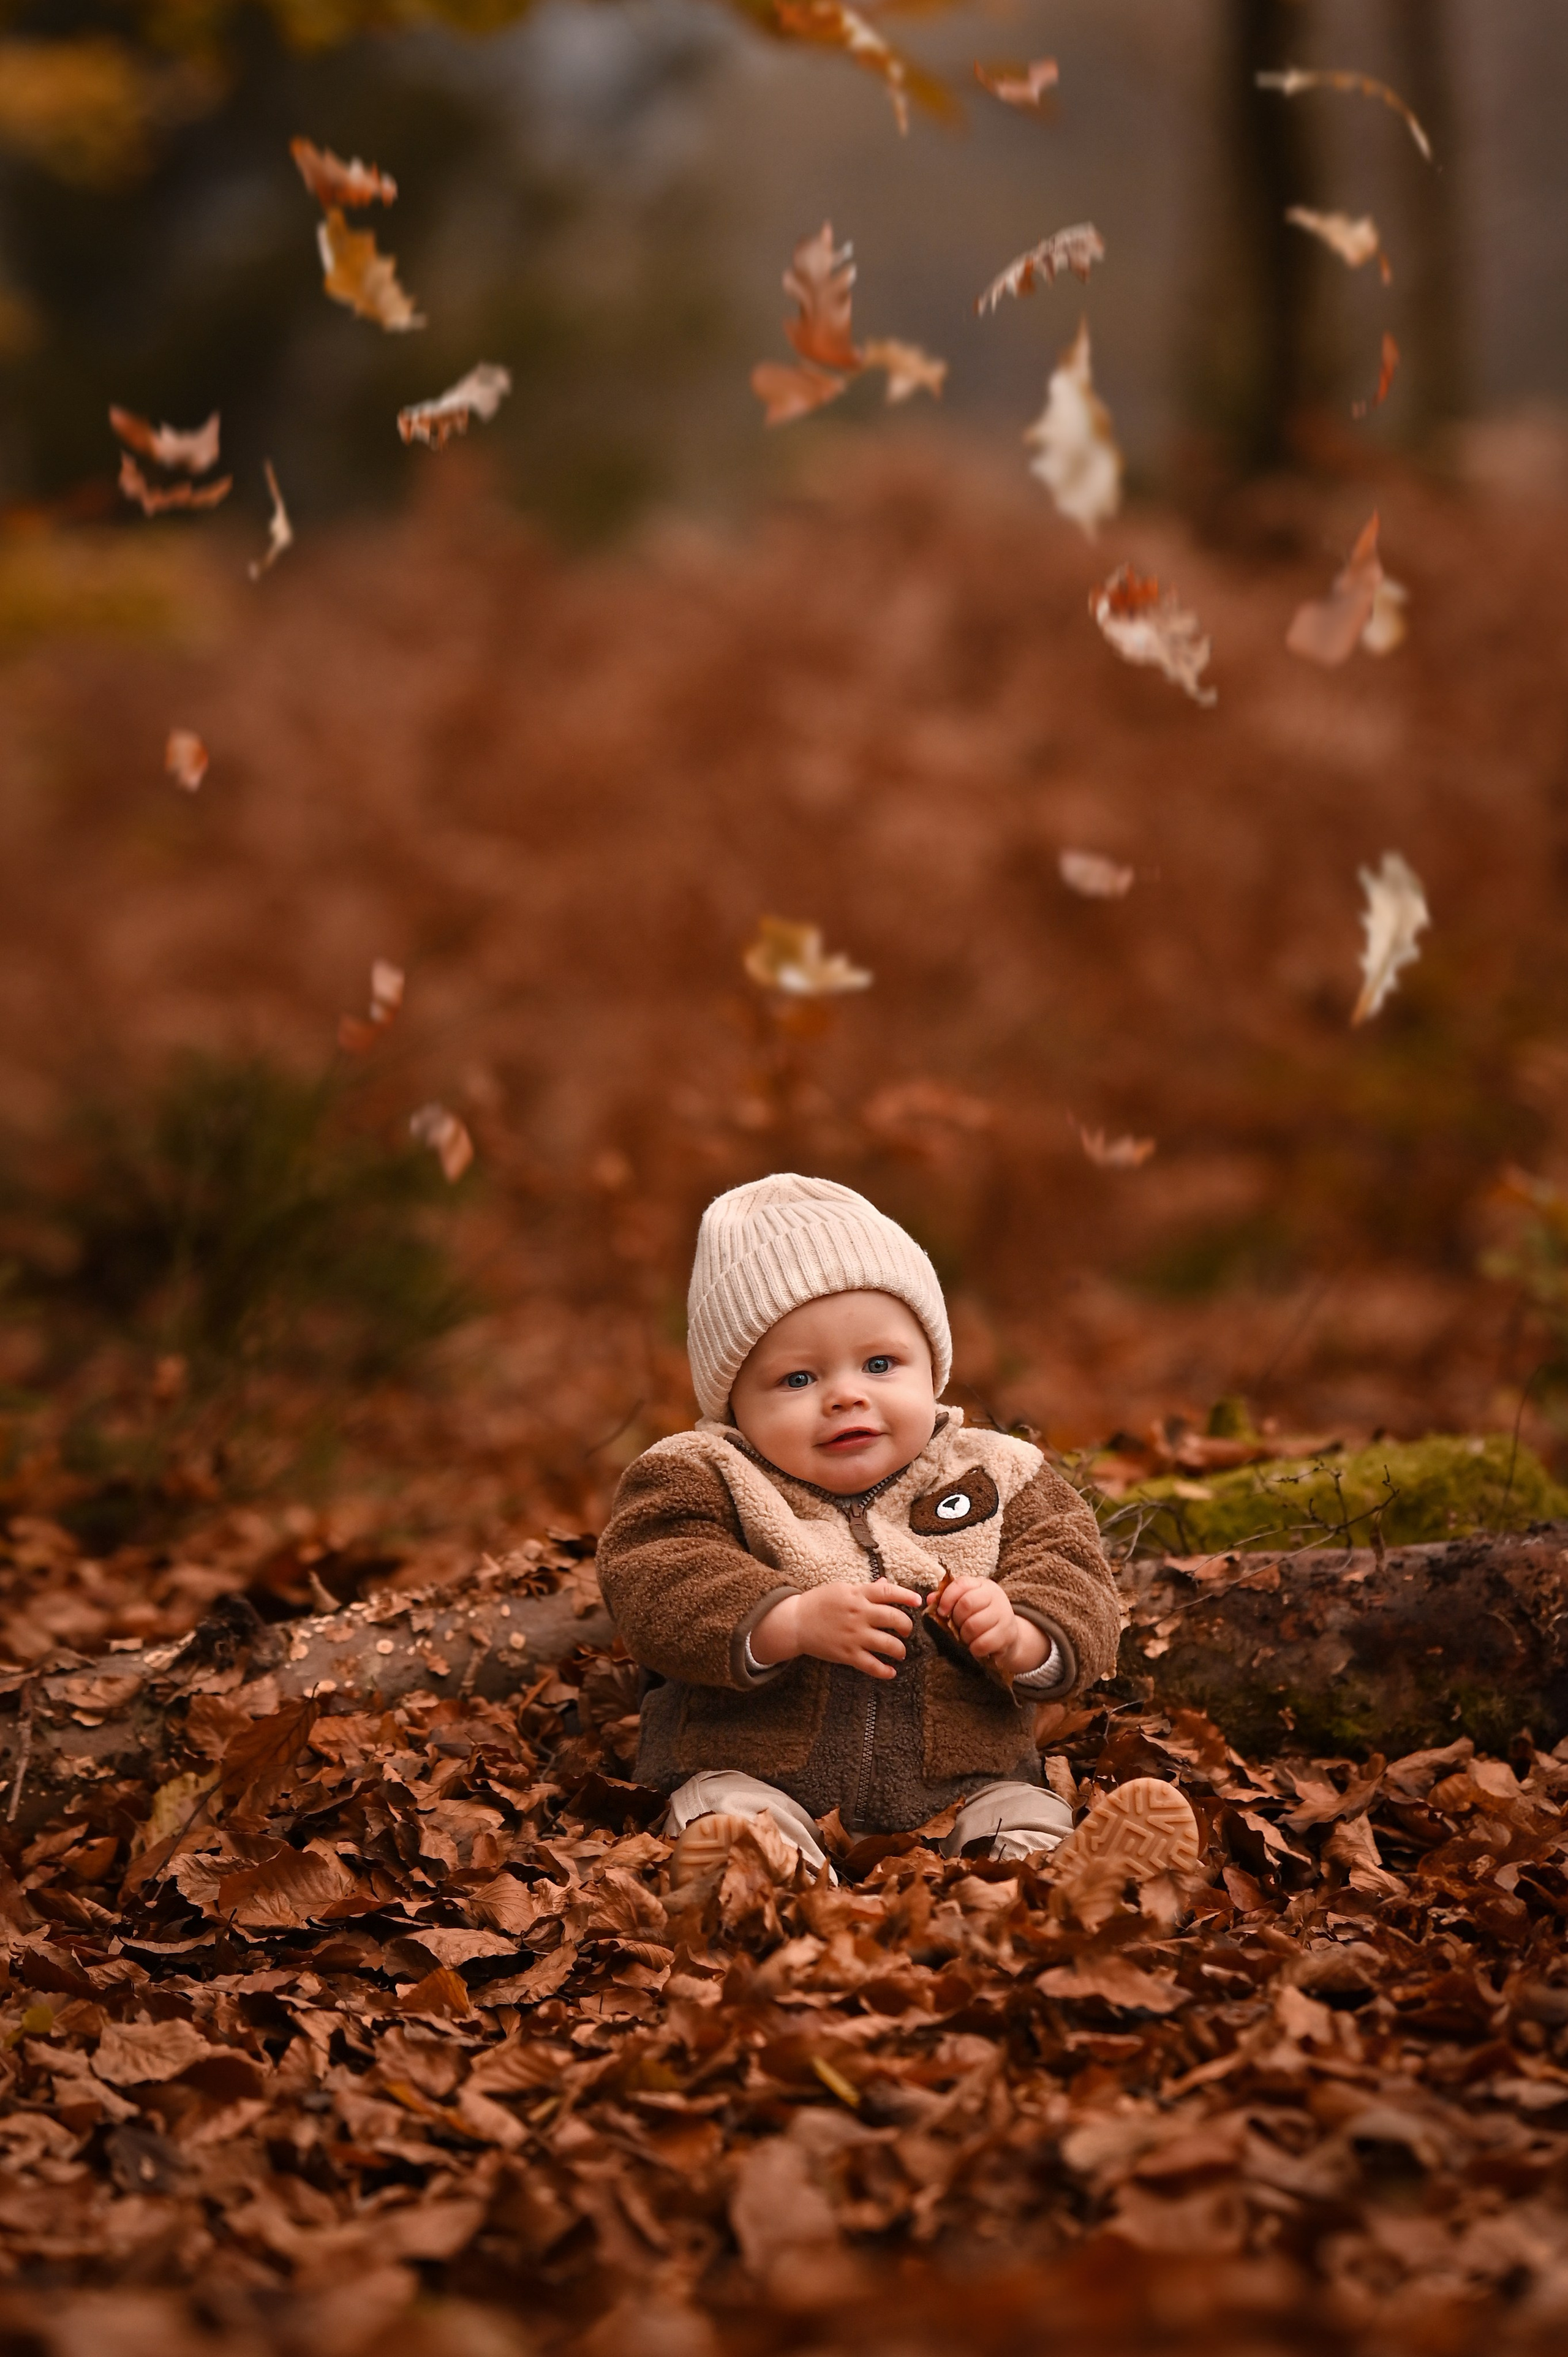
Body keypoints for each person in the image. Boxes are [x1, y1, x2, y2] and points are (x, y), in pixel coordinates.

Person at [597, 1172, 1199, 1886]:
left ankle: (1042, 1895)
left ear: (931, 1368)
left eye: (880, 1363)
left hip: (963, 1777)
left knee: (1017, 1814)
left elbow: (1072, 1574)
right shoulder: (704, 1473)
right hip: (758, 1767)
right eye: (797, 1379)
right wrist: (787, 1620)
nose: (847, 1393)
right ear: (733, 1400)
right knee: (723, 1812)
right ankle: (770, 1893)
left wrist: (1019, 1633)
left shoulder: (997, 1471)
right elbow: (655, 1576)